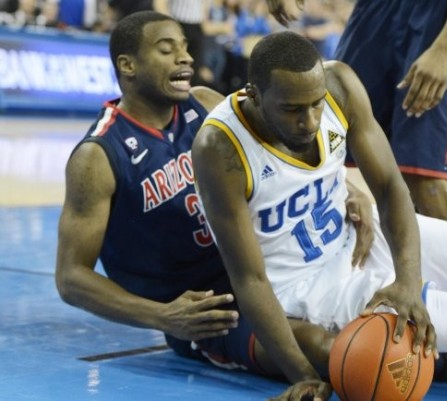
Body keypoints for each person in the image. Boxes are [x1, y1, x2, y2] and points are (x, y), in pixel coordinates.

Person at [192, 31, 447, 400]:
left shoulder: (340, 85)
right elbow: (250, 278)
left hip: (360, 234)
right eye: (293, 110)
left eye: (316, 105)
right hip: (312, 284)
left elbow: (389, 187)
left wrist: (407, 281)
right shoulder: (220, 149)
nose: (310, 121)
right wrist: (302, 374)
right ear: (253, 95)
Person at [54, 10, 374, 387]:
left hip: (273, 264)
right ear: (128, 65)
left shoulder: (205, 103)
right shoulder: (98, 156)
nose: (186, 57)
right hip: (210, 308)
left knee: (387, 315)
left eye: (185, 47)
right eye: (167, 50)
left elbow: (277, 157)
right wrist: (162, 316)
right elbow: (71, 277)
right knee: (329, 351)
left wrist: (344, 188)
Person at [331, 0, 447, 226]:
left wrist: (445, 48)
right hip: (375, 12)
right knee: (329, 137)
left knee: (423, 172)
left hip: (438, 18)